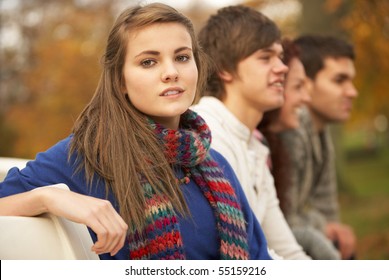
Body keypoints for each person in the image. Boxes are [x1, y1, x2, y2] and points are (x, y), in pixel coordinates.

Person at [0, 3, 272, 260]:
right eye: (148, 62)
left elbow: (260, 262)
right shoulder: (88, 155)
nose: (171, 72)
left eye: (182, 57)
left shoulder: (215, 165)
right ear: (120, 81)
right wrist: (48, 197)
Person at [192, 5, 310, 259]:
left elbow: (287, 251)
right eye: (265, 58)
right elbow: (243, 257)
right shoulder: (206, 138)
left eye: (279, 57)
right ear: (224, 68)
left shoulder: (254, 146)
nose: (282, 67)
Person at [257, 38, 342, 259]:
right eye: (298, 86)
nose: (306, 98)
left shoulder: (269, 143)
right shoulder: (262, 144)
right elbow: (277, 231)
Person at [280, 34, 358, 260]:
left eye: (351, 81)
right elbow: (284, 221)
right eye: (339, 80)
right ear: (306, 82)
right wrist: (324, 228)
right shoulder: (290, 130)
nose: (352, 91)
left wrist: (331, 229)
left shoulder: (321, 133)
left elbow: (328, 211)